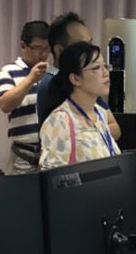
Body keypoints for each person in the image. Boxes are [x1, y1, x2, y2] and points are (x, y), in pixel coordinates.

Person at [39, 41, 119, 169]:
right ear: (75, 79)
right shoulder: (60, 120)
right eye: (96, 68)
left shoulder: (100, 113)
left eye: (105, 66)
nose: (105, 72)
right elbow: (51, 176)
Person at [0, 20, 51, 173]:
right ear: (23, 46)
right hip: (24, 155)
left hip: (51, 152)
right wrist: (30, 79)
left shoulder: (53, 73)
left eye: (47, 49)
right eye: (37, 48)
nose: (43, 54)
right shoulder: (8, 71)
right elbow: (5, 105)